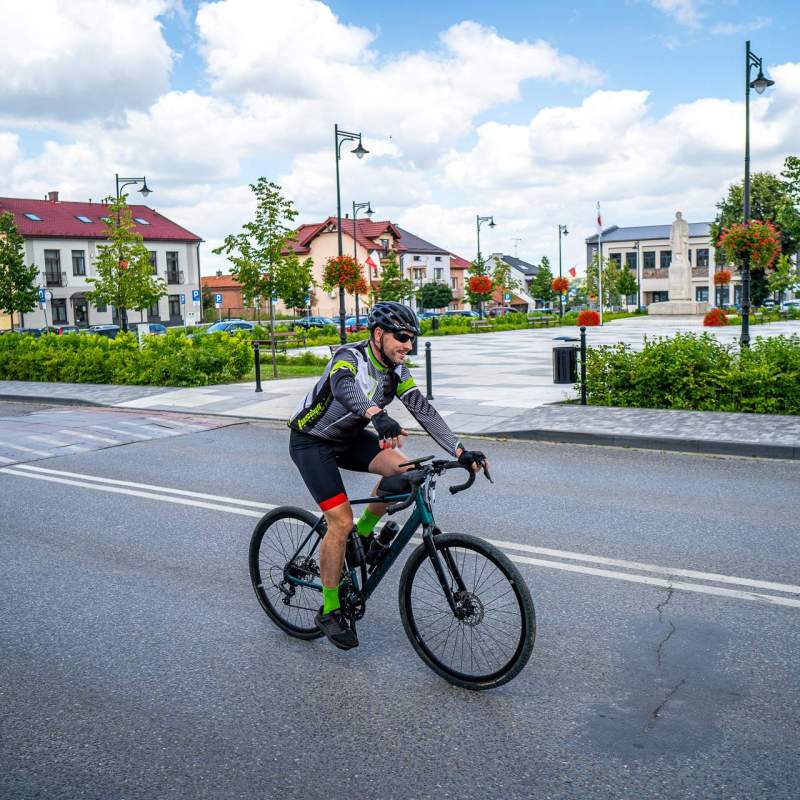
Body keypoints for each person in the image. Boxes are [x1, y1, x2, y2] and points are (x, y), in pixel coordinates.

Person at [287, 301, 488, 650]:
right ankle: (330, 609)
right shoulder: (350, 357)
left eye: (412, 339)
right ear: (379, 334)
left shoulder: (397, 371)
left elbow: (423, 410)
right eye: (402, 337)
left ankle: (364, 536)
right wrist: (376, 414)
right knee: (340, 522)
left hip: (348, 438)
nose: (408, 345)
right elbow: (343, 387)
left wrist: (459, 451)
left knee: (408, 472)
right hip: (312, 442)